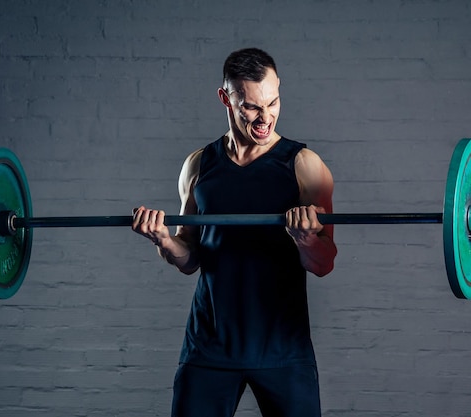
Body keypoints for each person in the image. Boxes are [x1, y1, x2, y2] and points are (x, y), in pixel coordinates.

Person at [132, 47, 337, 417]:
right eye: (252, 107)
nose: (266, 117)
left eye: (273, 103)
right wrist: (163, 238)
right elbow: (189, 258)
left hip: (282, 349)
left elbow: (324, 263)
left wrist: (305, 238)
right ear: (226, 98)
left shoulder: (305, 166)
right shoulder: (199, 165)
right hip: (209, 346)